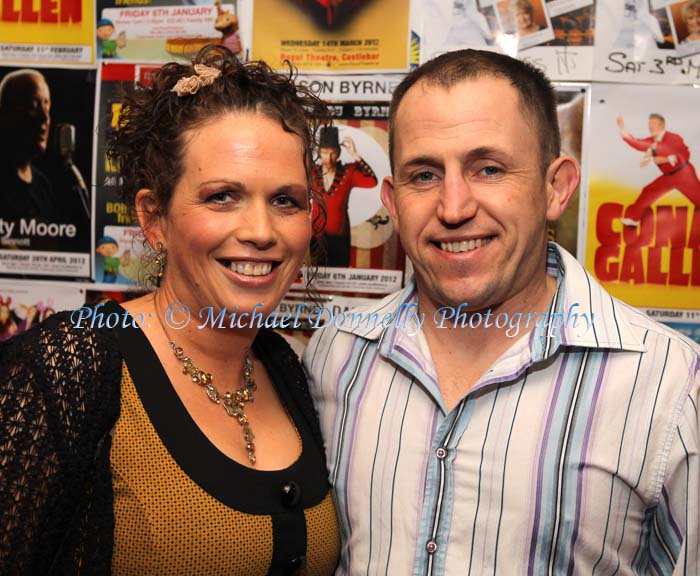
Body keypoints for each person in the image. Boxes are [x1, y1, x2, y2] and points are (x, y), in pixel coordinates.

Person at [304, 49, 699, 574]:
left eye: (489, 169)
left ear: (554, 188)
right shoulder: (336, 354)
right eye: (424, 175)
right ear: (393, 205)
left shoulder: (671, 386)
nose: (454, 207)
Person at [0, 45, 339, 575]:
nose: (261, 231)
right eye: (223, 196)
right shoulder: (69, 369)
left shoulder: (288, 369)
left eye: (286, 201)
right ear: (155, 219)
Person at [617, 113, 700, 226]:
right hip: (668, 176)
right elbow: (638, 144)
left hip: (684, 174)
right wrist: (623, 131)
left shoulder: (674, 137)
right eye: (649, 123)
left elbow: (684, 154)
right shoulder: (652, 141)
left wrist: (663, 157)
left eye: (653, 123)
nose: (650, 126)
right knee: (648, 191)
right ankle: (633, 219)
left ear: (661, 125)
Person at [311, 126, 377, 267]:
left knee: (339, 275)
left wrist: (355, 155)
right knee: (316, 279)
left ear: (339, 153)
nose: (328, 158)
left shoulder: (348, 172)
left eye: (332, 153)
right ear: (319, 153)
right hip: (316, 235)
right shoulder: (311, 172)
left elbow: (372, 182)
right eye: (324, 153)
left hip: (340, 235)